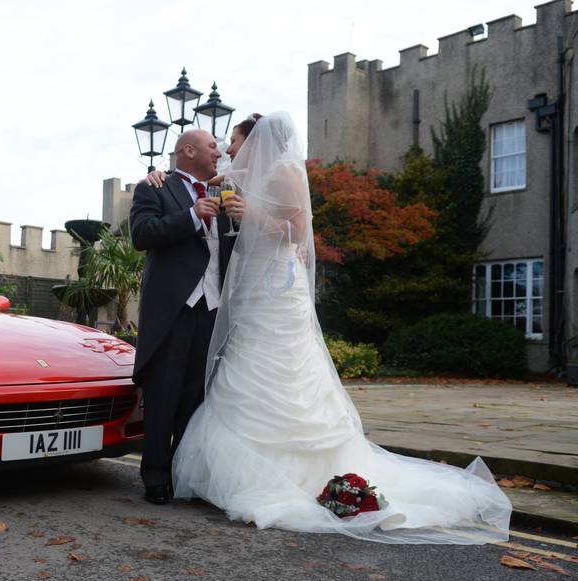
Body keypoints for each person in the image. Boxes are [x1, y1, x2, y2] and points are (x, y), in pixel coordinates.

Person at [170, 111, 512, 543]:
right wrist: (156, 176)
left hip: (276, 287)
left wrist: (251, 213)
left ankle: (296, 477)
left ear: (256, 142)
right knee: (243, 364)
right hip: (253, 287)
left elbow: (297, 232)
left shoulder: (284, 172)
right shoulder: (242, 174)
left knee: (284, 367)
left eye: (234, 141)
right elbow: (187, 179)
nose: (229, 148)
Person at [128, 129, 241, 505]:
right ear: (188, 151)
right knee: (163, 395)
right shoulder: (155, 187)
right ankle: (156, 477)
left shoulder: (224, 192)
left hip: (211, 308)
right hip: (173, 307)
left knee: (195, 395)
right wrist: (191, 216)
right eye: (212, 146)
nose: (219, 151)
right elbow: (141, 234)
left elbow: (232, 249)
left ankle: (183, 473)